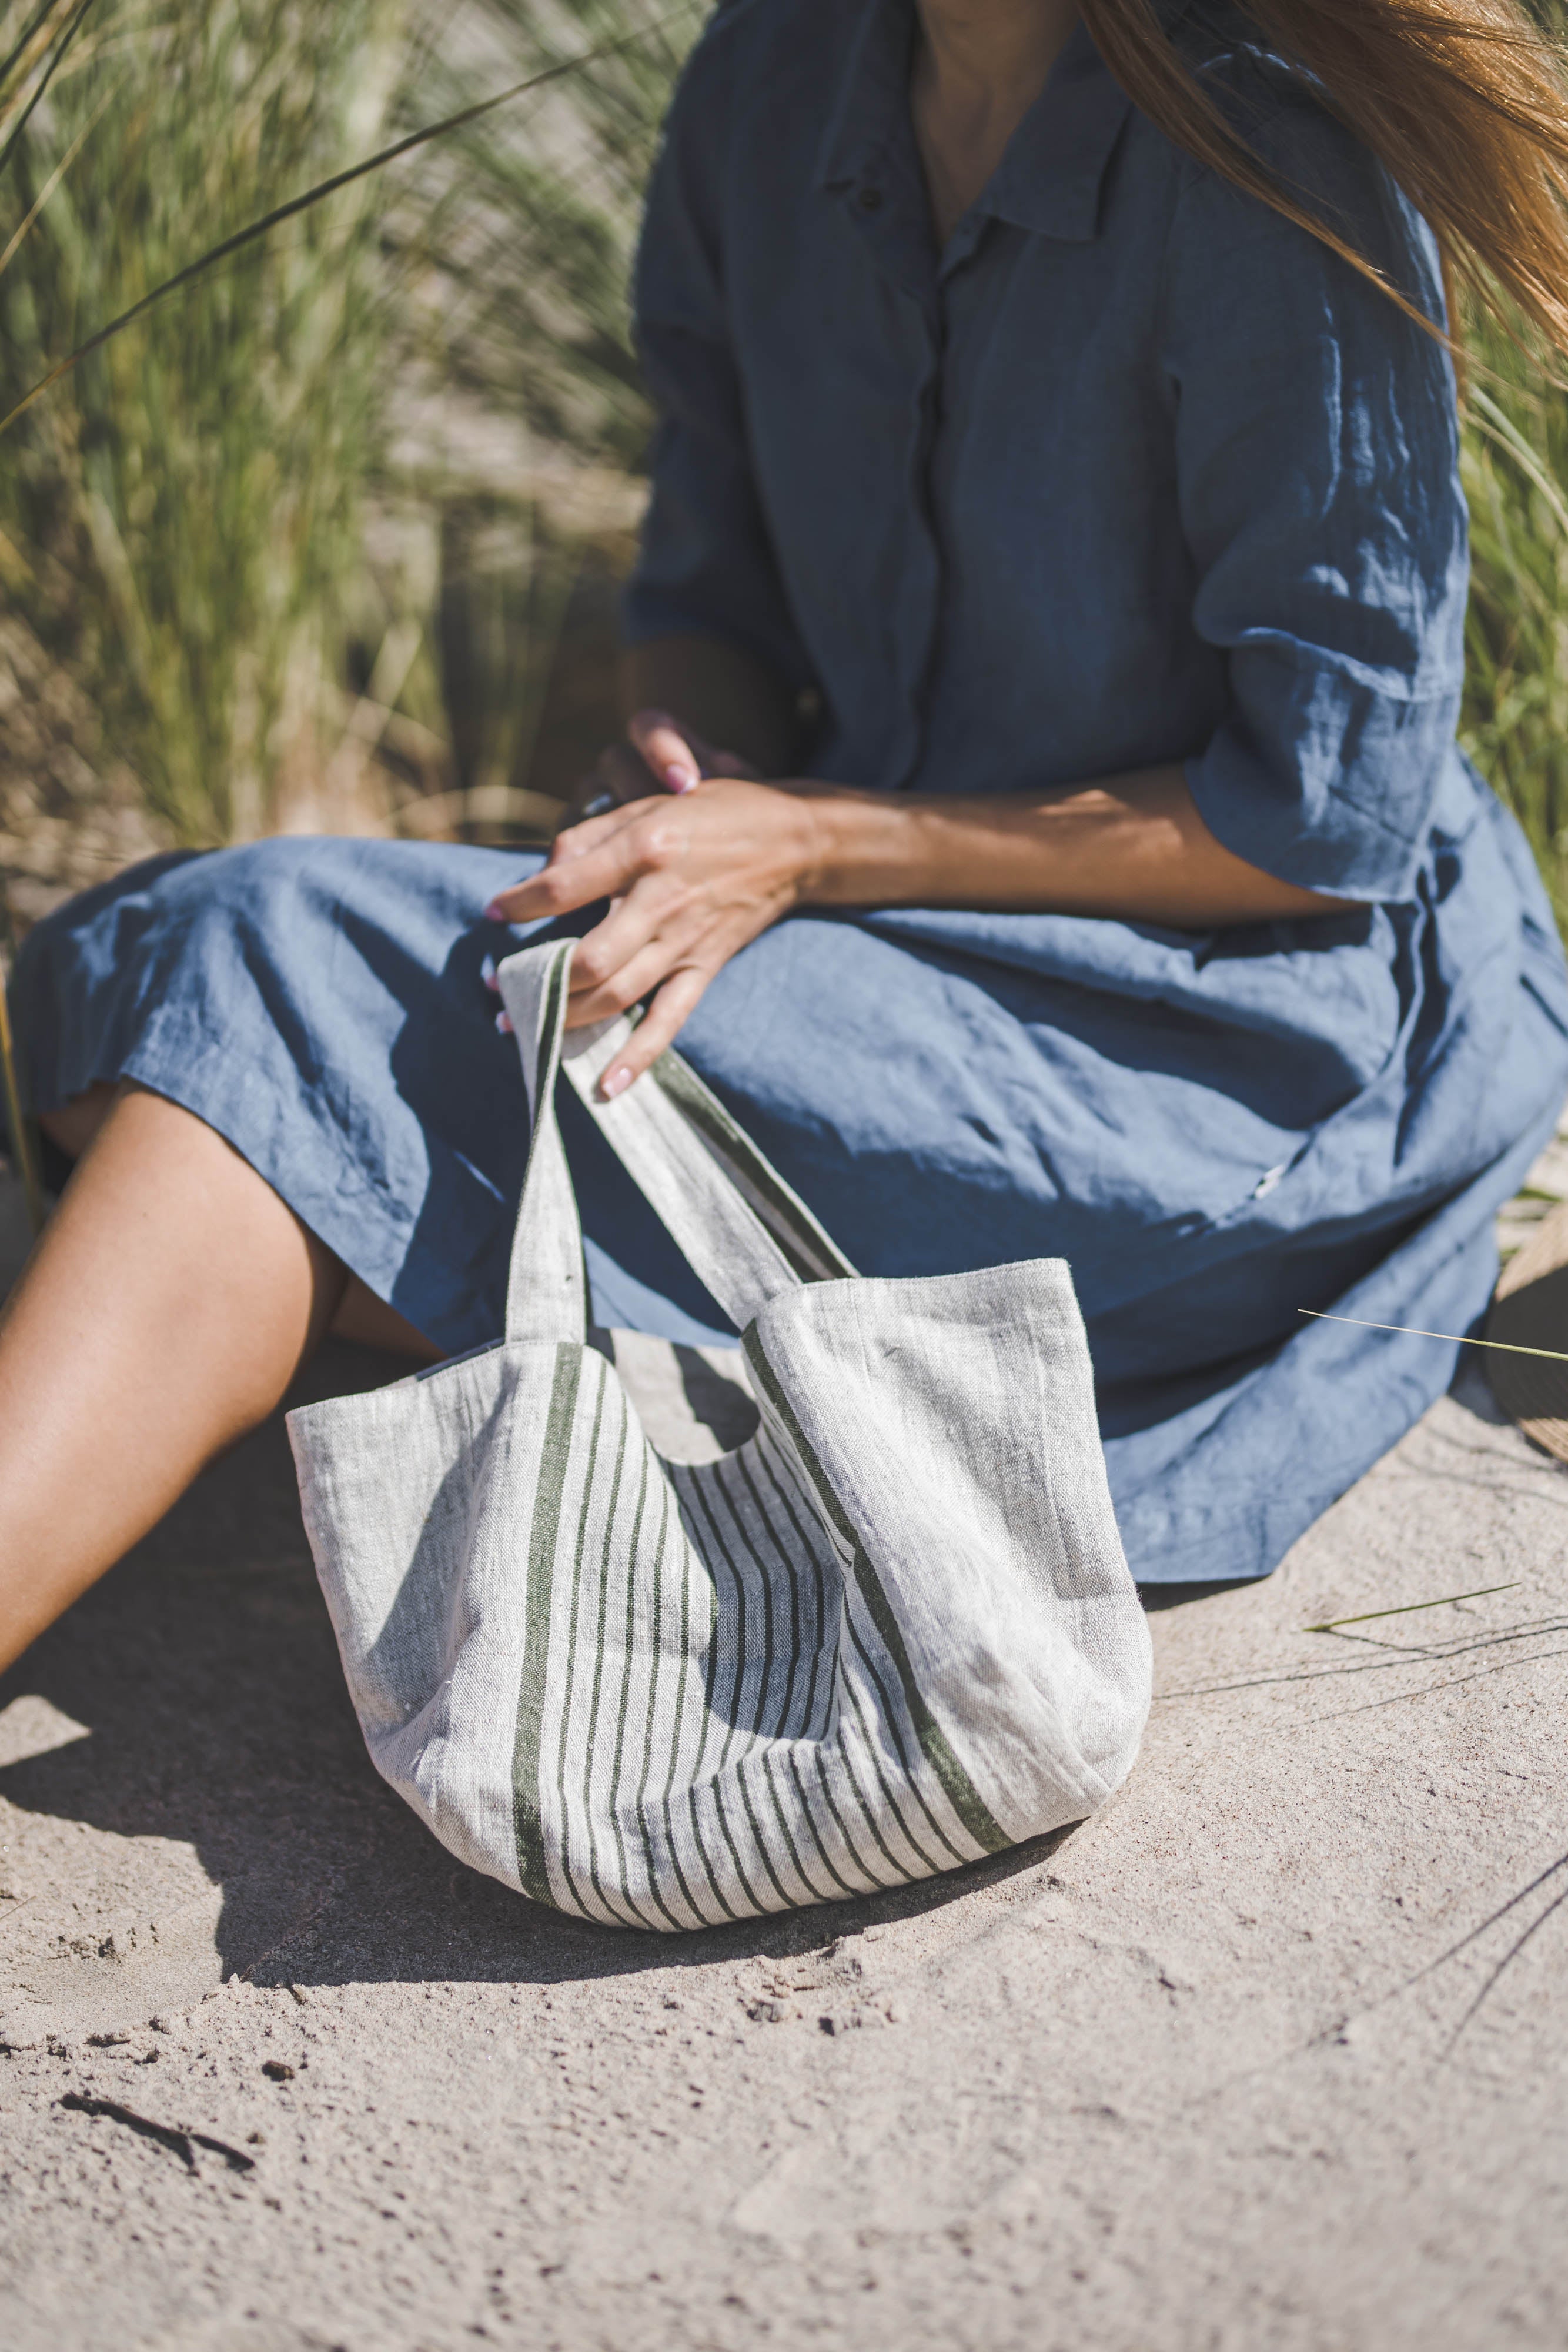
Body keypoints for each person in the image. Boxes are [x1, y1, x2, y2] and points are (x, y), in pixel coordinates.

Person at [4, 0, 1568, 1673]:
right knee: (173, 1015)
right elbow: (705, 568)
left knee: (249, 978)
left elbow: (1321, 824)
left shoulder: (1269, 161)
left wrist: (807, 842)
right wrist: (695, 762)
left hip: (1216, 1041)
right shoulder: (779, 71)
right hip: (875, 934)